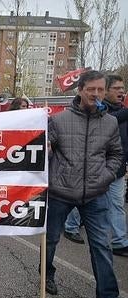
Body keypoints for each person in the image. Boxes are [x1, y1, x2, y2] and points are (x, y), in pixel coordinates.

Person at [42, 70, 128, 298]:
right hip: (61, 192)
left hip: (96, 194)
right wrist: (47, 151)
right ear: (80, 90)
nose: (96, 94)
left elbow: (115, 154)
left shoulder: (110, 122)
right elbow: (45, 153)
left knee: (102, 245)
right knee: (51, 239)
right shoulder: (58, 120)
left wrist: (106, 176)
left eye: (101, 89)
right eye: (92, 89)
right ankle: (46, 274)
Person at [63, 75, 128, 256]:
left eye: (123, 88)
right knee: (79, 201)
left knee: (116, 205)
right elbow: (107, 119)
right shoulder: (99, 110)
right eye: (117, 88)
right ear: (107, 91)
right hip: (91, 170)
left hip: (116, 170)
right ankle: (71, 226)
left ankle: (120, 241)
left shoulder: (122, 112)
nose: (121, 92)